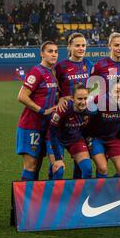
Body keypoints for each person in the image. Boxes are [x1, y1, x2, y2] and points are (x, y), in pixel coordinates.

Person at [16, 41, 59, 181]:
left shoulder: (51, 72)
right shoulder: (37, 71)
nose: (54, 54)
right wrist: (42, 110)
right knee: (31, 166)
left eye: (56, 51)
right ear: (42, 53)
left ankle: (37, 201)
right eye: (50, 51)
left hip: (45, 127)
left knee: (38, 164)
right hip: (31, 125)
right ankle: (22, 202)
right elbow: (21, 96)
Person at [54, 32, 93, 179]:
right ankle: (53, 197)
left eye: (83, 45)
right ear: (69, 47)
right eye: (77, 45)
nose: (81, 48)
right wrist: (59, 99)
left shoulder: (89, 65)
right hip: (62, 119)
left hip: (81, 121)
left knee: (81, 166)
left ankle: (78, 197)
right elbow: (52, 88)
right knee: (57, 169)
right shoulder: (60, 66)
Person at [48, 84, 93, 179]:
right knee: (58, 170)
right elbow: (52, 133)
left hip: (75, 139)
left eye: (85, 98)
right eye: (79, 99)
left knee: (87, 169)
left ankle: (81, 193)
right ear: (72, 98)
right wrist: (58, 159)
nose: (83, 102)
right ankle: (53, 192)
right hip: (57, 140)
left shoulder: (91, 109)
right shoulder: (63, 109)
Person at [85, 82, 120, 178]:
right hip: (96, 138)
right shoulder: (100, 100)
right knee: (103, 168)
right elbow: (85, 107)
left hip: (113, 138)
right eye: (116, 92)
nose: (119, 95)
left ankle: (110, 189)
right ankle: (99, 190)